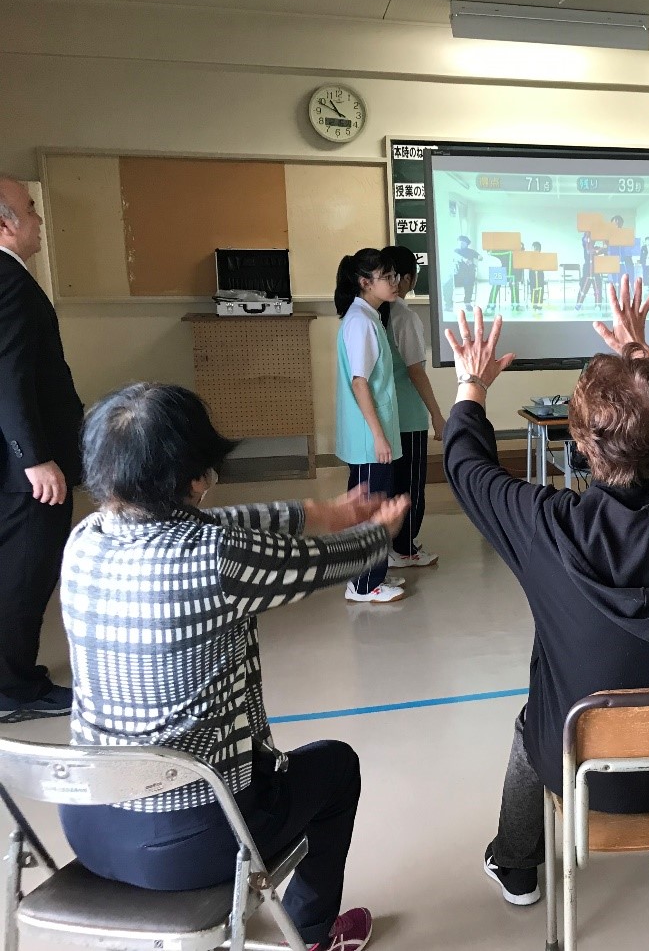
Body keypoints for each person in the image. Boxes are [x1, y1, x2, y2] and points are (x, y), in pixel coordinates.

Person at [59, 382, 410, 951]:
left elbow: (216, 525)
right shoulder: (212, 558)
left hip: (87, 824)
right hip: (190, 843)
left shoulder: (84, 539)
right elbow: (319, 562)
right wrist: (376, 535)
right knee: (336, 768)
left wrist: (318, 512)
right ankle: (312, 933)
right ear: (198, 477)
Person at [443, 276, 649, 904]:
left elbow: (465, 466)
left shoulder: (545, 527)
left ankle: (518, 866)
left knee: (531, 721)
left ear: (578, 441)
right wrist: (643, 358)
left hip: (580, 767)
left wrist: (472, 385)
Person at [0, 174, 84, 722]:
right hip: (26, 468)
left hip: (14, 462)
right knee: (24, 574)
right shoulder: (8, 281)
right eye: (30, 209)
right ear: (5, 224)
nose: (38, 220)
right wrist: (33, 457)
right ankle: (13, 690)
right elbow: (8, 375)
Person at [334, 249, 405, 603]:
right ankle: (363, 584)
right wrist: (378, 435)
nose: (394, 283)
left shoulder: (367, 317)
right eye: (386, 277)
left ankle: (371, 575)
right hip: (367, 436)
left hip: (372, 433)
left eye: (394, 276)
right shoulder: (361, 321)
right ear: (365, 282)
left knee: (375, 504)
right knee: (370, 508)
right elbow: (359, 382)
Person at [379, 245, 444, 571]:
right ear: (407, 279)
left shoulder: (372, 314)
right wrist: (437, 415)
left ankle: (392, 546)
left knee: (392, 484)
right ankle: (405, 548)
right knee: (412, 486)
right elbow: (416, 371)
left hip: (386, 416)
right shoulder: (404, 316)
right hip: (409, 417)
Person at [453, 235, 481, 308]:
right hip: (458, 273)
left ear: (466, 244)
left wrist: (479, 257)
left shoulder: (471, 251)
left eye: (463, 242)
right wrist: (464, 259)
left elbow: (479, 256)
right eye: (460, 242)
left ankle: (467, 303)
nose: (461, 244)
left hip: (469, 273)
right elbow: (456, 257)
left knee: (469, 284)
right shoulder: (456, 250)